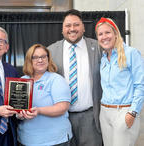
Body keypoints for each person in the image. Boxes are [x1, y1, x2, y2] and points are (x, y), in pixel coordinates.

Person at [48, 9, 102, 146]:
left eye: (76, 25)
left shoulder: (98, 47)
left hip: (91, 118)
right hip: (61, 118)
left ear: (83, 27)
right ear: (62, 29)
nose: (72, 29)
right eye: (68, 25)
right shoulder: (50, 51)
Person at [95, 17, 144, 146]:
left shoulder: (131, 53)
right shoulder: (104, 58)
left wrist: (132, 113)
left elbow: (140, 85)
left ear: (116, 33)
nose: (104, 37)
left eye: (107, 32)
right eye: (100, 34)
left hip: (124, 112)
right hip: (105, 113)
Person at [17, 44, 72, 146]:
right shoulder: (22, 81)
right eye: (35, 57)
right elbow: (17, 107)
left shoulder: (56, 79)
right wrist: (19, 115)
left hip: (55, 140)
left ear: (48, 59)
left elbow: (62, 108)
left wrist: (38, 110)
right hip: (27, 139)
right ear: (29, 60)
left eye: (43, 56)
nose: (40, 60)